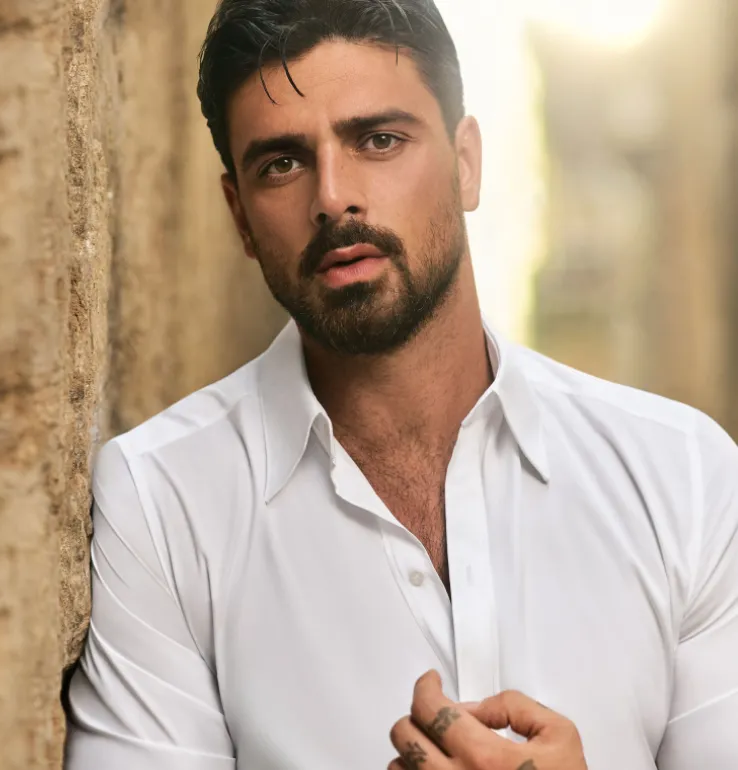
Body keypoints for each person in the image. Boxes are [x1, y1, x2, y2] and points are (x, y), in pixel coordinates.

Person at [63, 0, 738, 768]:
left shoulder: (685, 477)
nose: (332, 197)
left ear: (466, 163)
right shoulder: (161, 503)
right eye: (282, 163)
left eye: (379, 140)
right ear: (239, 217)